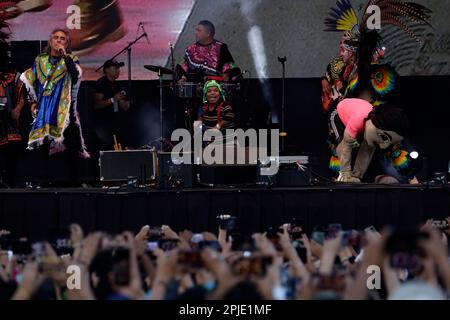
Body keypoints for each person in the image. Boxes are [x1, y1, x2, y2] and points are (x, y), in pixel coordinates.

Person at [20, 28, 89, 186]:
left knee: (72, 146)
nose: (59, 40)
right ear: (50, 42)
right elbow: (31, 81)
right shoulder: (40, 60)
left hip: (65, 111)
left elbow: (75, 75)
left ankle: (74, 183)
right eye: (56, 38)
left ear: (67, 43)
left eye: (62, 38)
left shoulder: (71, 59)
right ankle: (43, 182)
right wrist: (32, 102)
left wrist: (65, 56)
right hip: (45, 111)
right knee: (42, 148)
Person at [0, 17, 25, 187]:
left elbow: (22, 91)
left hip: (8, 120)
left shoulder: (11, 73)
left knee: (11, 154)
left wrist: (18, 107)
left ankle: (12, 186)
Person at [93, 59, 130, 151]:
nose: (118, 70)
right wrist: (113, 99)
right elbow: (96, 104)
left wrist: (122, 101)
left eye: (119, 68)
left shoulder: (117, 85)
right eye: (115, 68)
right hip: (104, 125)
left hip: (117, 124)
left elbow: (126, 108)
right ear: (107, 70)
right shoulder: (101, 83)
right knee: (107, 149)